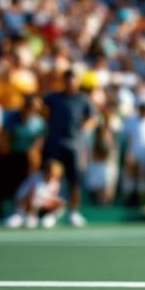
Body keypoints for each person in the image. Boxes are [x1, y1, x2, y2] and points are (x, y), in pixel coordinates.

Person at [42, 70, 96, 227]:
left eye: (74, 81)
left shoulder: (83, 99)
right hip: (54, 142)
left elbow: (92, 117)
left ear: (77, 82)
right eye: (68, 81)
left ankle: (73, 213)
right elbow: (42, 109)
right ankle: (48, 213)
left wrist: (83, 127)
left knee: (74, 180)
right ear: (63, 81)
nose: (71, 84)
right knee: (50, 178)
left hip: (74, 145)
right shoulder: (53, 97)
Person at [0, 94, 46, 219]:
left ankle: (20, 210)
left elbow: (38, 141)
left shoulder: (39, 122)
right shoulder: (12, 117)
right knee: (5, 184)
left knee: (23, 184)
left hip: (26, 158)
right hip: (9, 155)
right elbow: (4, 139)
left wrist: (33, 157)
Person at [5, 159, 67, 228]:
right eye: (51, 171)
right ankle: (23, 217)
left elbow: (51, 198)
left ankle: (48, 218)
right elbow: (28, 197)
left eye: (56, 172)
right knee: (27, 222)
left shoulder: (55, 183)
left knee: (61, 203)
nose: (53, 174)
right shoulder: (35, 179)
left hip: (40, 206)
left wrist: (53, 201)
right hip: (24, 206)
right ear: (47, 171)